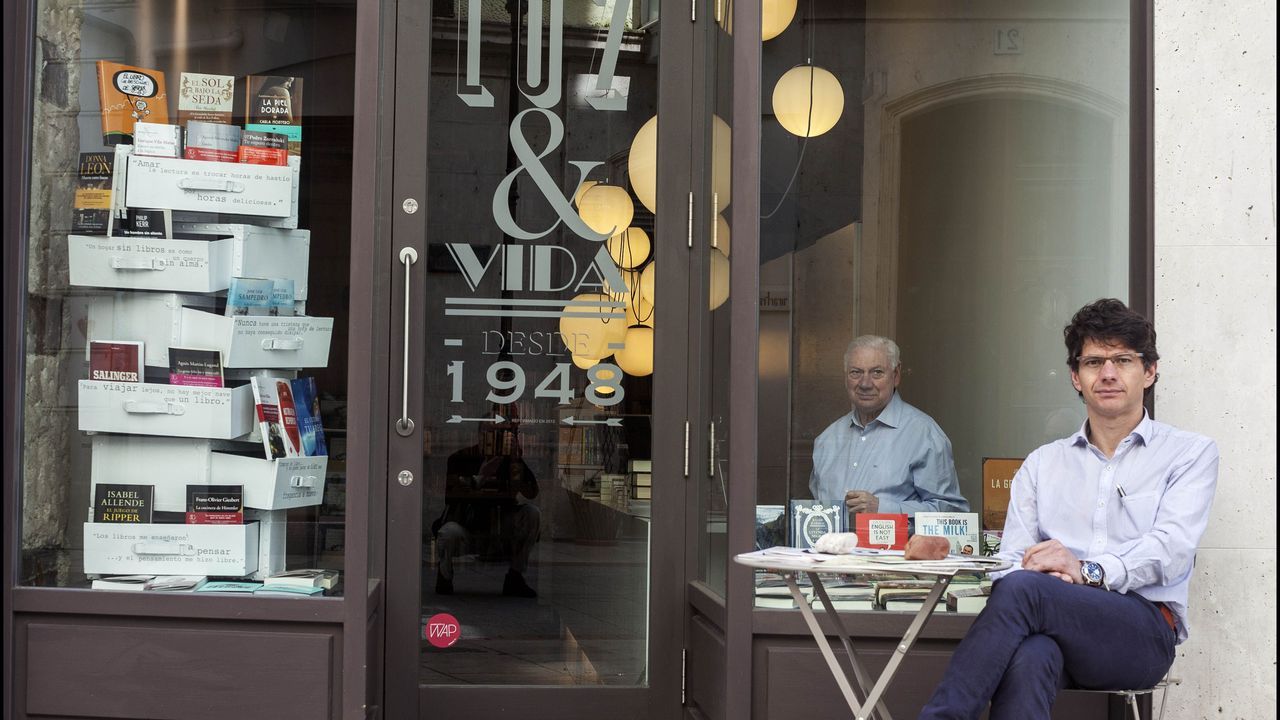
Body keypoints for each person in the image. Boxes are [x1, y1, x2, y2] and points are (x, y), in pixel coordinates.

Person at [919, 299, 1219, 719]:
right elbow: (1012, 561)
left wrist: (1086, 571)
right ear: (1076, 377)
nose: (1109, 373)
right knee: (1032, 653)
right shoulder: (1042, 464)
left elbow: (1171, 550)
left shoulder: (1189, 453)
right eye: (1094, 361)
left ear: (1149, 371)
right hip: (1052, 627)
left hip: (1141, 632)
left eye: (1123, 360)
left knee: (1027, 591)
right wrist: (1052, 580)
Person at [810, 335, 968, 523]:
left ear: (896, 375)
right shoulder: (826, 441)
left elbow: (953, 516)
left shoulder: (924, 434)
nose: (865, 383)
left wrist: (882, 509)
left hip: (897, 552)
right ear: (845, 377)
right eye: (855, 372)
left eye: (877, 372)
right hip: (831, 552)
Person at [431, 417, 540, 598]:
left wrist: (515, 459)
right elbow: (451, 496)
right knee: (448, 532)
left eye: (499, 434)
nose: (493, 438)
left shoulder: (509, 461)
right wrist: (480, 477)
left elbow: (531, 492)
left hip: (502, 528)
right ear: (479, 435)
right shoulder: (461, 458)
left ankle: (515, 575)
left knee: (531, 513)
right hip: (468, 526)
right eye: (489, 433)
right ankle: (444, 575)